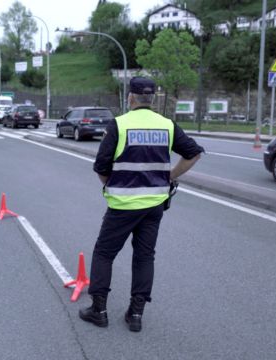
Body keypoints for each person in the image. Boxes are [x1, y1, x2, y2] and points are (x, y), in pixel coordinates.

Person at [79, 77, 203, 333]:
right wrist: (169, 177)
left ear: (130, 98)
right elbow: (193, 153)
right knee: (144, 256)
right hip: (154, 204)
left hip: (122, 204)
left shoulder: (119, 125)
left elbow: (101, 167)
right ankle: (136, 314)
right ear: (153, 99)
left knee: (104, 253)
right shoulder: (167, 125)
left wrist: (112, 182)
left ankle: (99, 310)